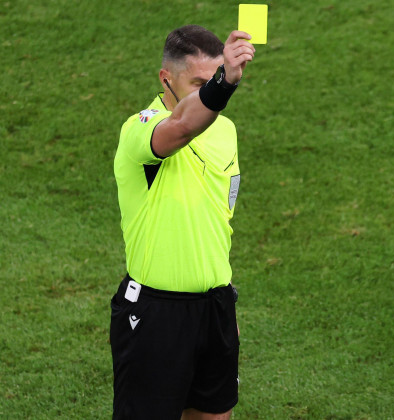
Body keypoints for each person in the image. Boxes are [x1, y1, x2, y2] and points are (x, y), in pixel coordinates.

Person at [111, 24, 256, 420]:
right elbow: (181, 126)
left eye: (212, 81)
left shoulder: (226, 131)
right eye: (198, 83)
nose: (208, 92)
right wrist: (225, 82)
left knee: (215, 416)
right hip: (157, 314)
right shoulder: (141, 128)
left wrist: (224, 307)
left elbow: (217, 222)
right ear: (166, 78)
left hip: (214, 307)